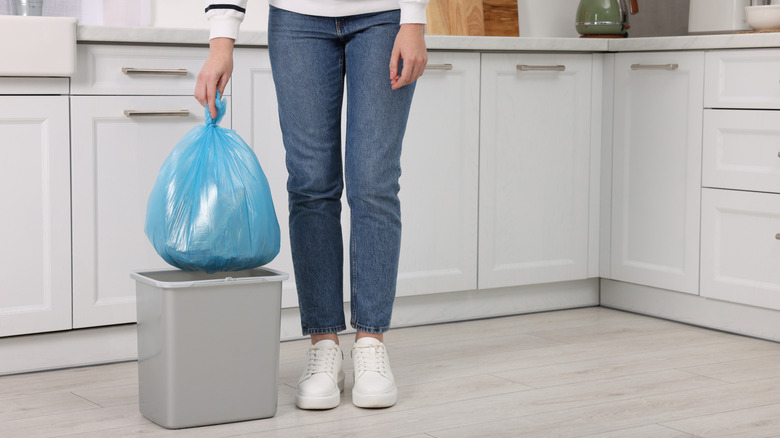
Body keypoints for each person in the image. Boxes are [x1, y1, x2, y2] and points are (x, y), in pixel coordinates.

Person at [195, 0, 429, 410]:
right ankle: (324, 346)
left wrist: (413, 19)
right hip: (296, 19)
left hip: (383, 15)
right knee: (310, 185)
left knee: (374, 183)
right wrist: (221, 38)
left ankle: (370, 343)